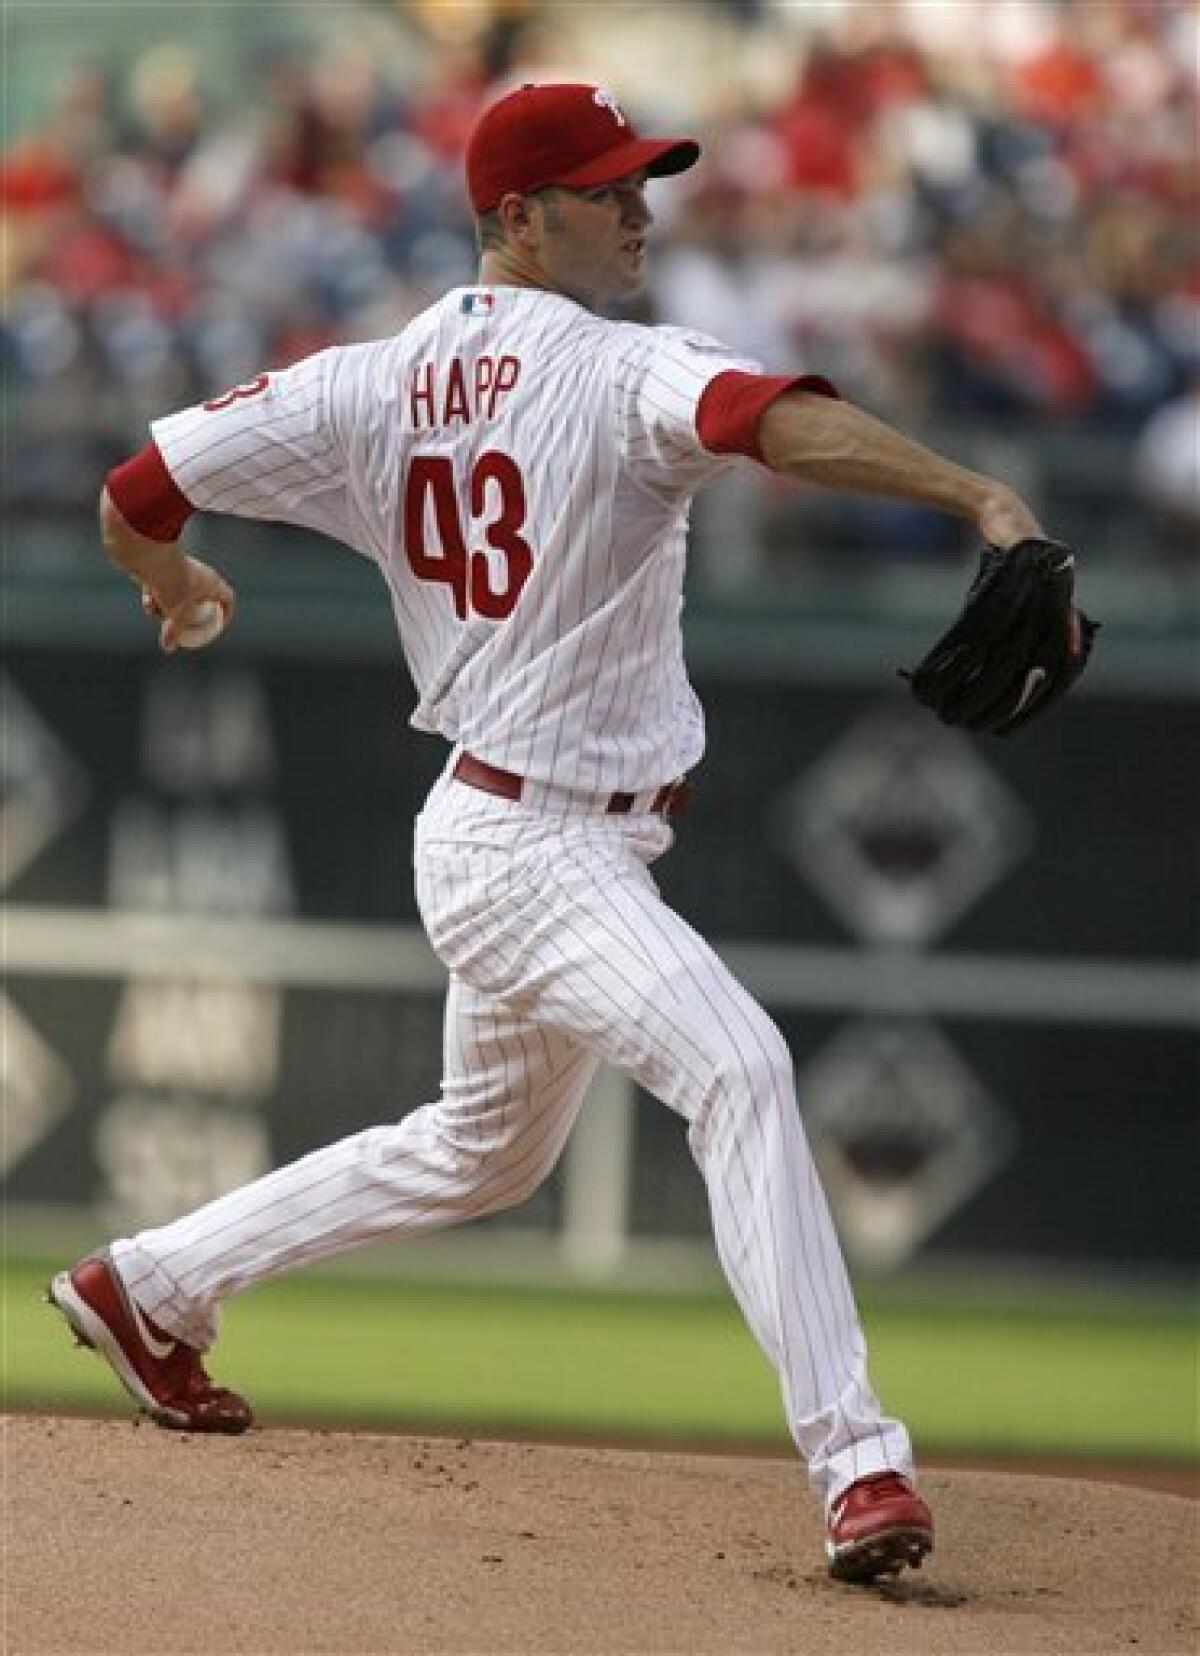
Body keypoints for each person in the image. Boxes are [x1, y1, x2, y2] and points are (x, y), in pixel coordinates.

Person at [51, 81, 1045, 1584]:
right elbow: (773, 420)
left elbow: (136, 490)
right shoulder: (620, 370)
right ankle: (859, 1463)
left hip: (504, 825)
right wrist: (978, 493)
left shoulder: (361, 383)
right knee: (743, 1067)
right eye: (606, 189)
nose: (640, 210)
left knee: (480, 1154)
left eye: (642, 183)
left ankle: (151, 1283)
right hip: (534, 845)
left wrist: (173, 587)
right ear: (517, 219)